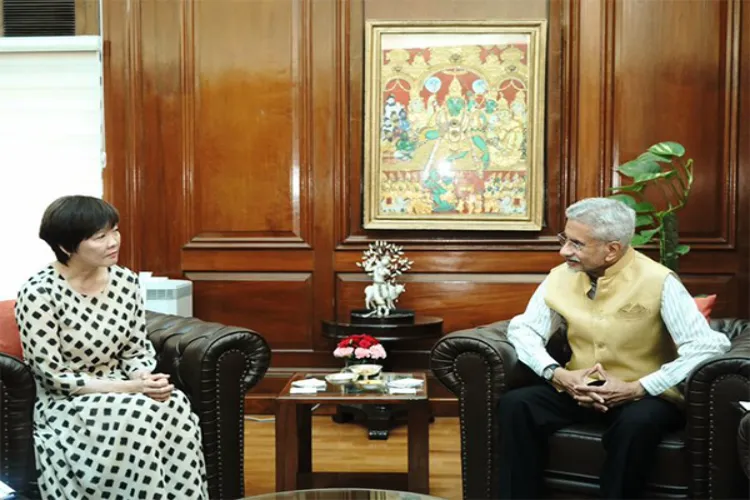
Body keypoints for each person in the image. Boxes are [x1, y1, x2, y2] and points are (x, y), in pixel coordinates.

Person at [499, 197, 731, 499]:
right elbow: (524, 329)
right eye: (565, 239)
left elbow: (707, 345)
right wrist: (557, 375)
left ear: (612, 250)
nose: (564, 251)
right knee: (517, 405)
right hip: (579, 388)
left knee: (636, 425)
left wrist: (639, 387)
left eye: (577, 244)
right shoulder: (560, 277)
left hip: (646, 396)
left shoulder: (659, 280)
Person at [15, 195, 207, 499]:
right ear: (67, 246)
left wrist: (144, 378)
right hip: (69, 400)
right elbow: (54, 377)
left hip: (123, 384)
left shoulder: (125, 281)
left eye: (114, 231)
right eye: (99, 236)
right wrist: (132, 388)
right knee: (137, 411)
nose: (113, 242)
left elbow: (135, 349)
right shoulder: (39, 293)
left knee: (175, 404)